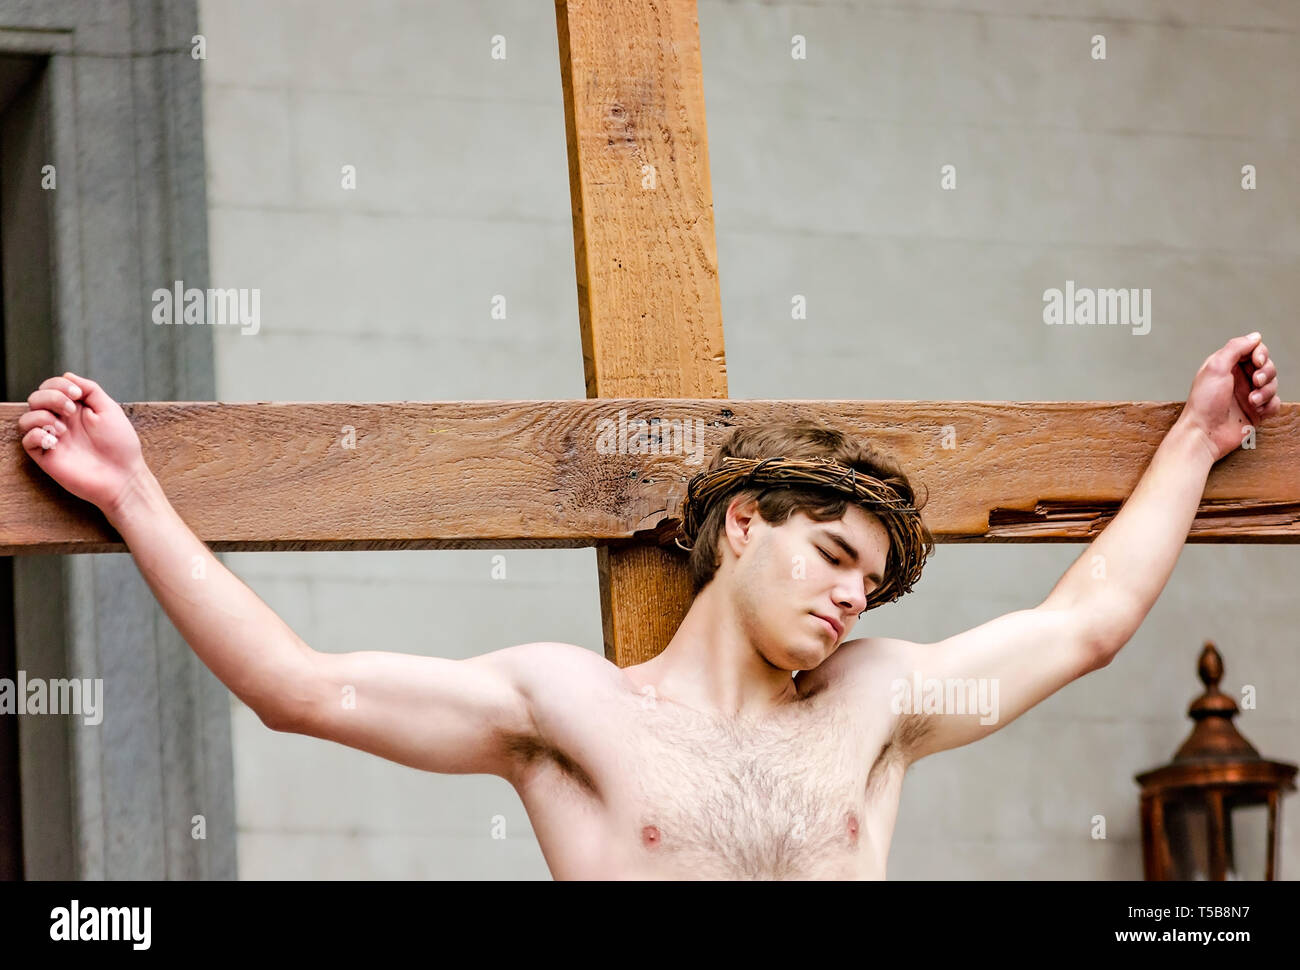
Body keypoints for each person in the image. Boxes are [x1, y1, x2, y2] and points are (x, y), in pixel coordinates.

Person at [14, 333, 1281, 879]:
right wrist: (133, 491)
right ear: (742, 526)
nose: (854, 594)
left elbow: (1085, 621)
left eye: (874, 579)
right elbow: (298, 686)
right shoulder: (572, 706)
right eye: (835, 552)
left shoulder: (881, 705)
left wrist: (1195, 438)